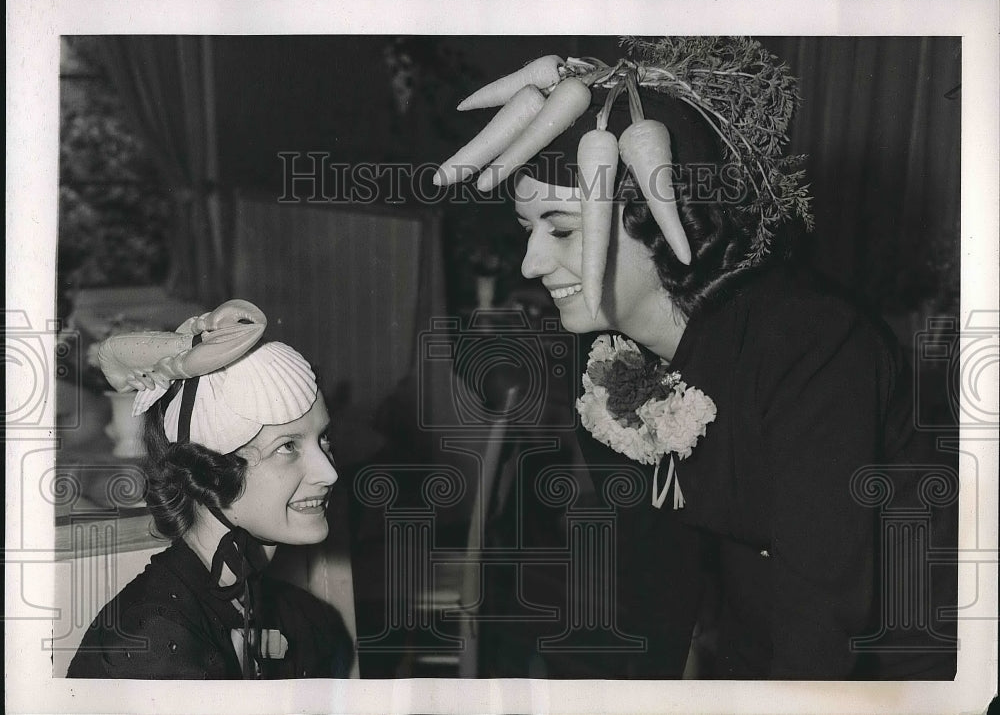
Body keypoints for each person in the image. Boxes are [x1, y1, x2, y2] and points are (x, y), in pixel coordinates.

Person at [438, 37, 956, 679]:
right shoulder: (608, 371)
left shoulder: (812, 346)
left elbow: (822, 618)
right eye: (529, 230)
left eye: (563, 228)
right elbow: (647, 591)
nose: (532, 263)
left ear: (659, 219)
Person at [67, 300, 354, 679]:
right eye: (288, 446)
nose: (329, 473)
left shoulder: (310, 625)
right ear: (209, 471)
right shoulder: (150, 639)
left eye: (324, 439)